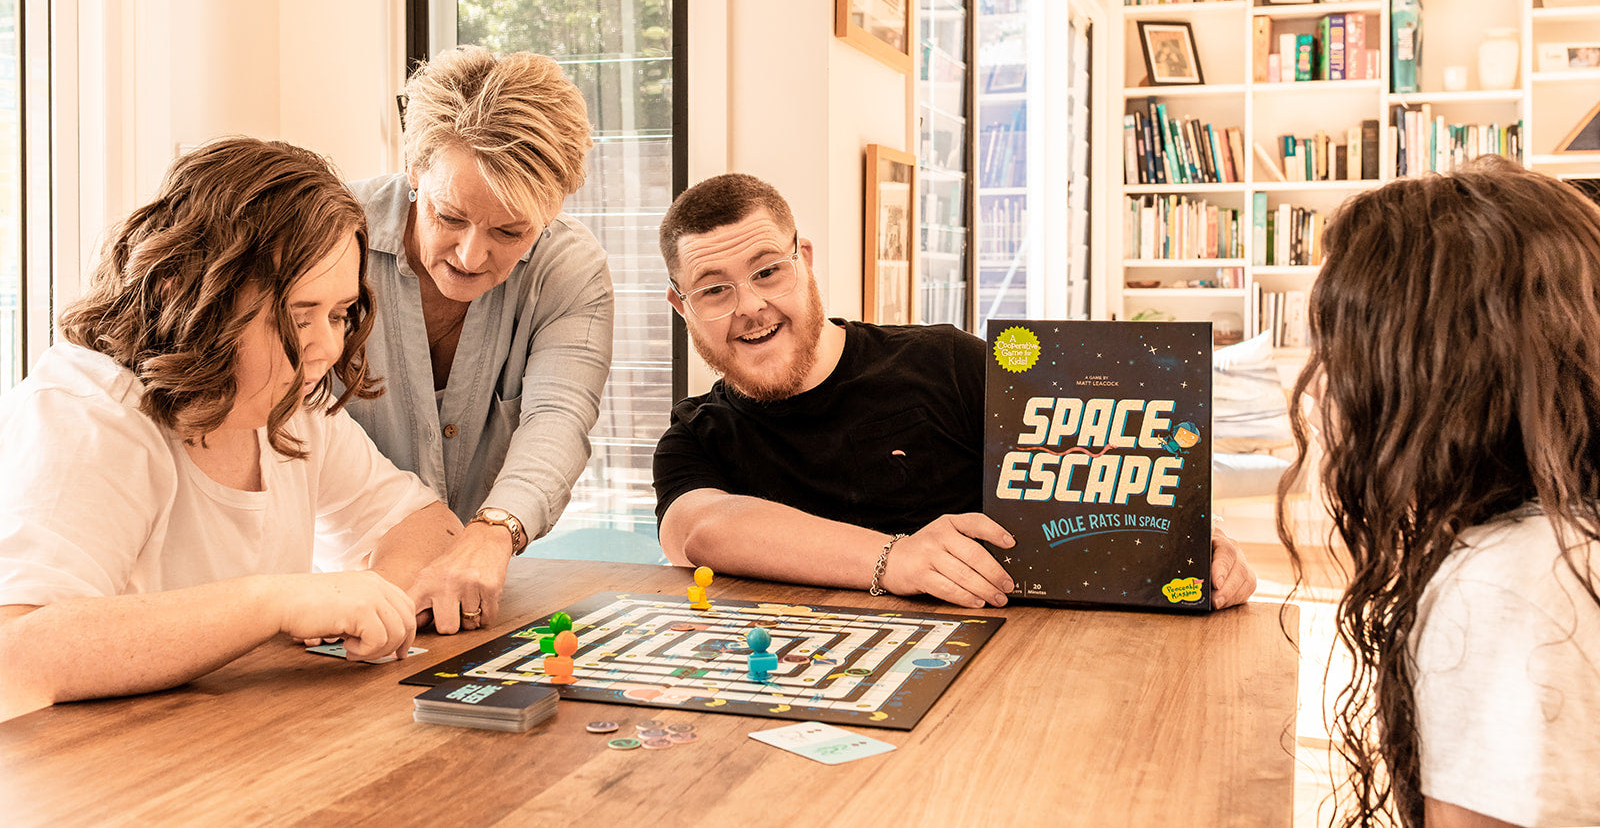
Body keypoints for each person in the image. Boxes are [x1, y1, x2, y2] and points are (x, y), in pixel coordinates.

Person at [0, 138, 462, 720]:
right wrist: (276, 601)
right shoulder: (84, 416)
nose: (325, 346)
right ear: (194, 294)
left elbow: (428, 525)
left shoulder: (291, 403)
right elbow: (14, 655)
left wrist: (376, 603)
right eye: (299, 316)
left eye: (340, 314)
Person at [652, 173, 1257, 610]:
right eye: (713, 289)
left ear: (803, 261)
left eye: (767, 271)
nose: (751, 306)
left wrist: (1195, 541)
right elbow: (702, 531)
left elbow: (1105, 462)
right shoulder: (694, 437)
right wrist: (898, 560)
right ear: (682, 305)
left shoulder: (944, 363)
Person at [1277, 158, 1600, 828]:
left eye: (1340, 355)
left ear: (1429, 376)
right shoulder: (1565, 540)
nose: (1314, 390)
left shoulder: (1505, 591)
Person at [346, 46, 614, 634]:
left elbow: (558, 417)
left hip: (461, 599)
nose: (471, 255)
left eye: (509, 231)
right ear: (414, 173)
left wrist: (495, 532)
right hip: (324, 590)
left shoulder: (568, 269)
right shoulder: (333, 237)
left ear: (553, 208)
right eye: (449, 216)